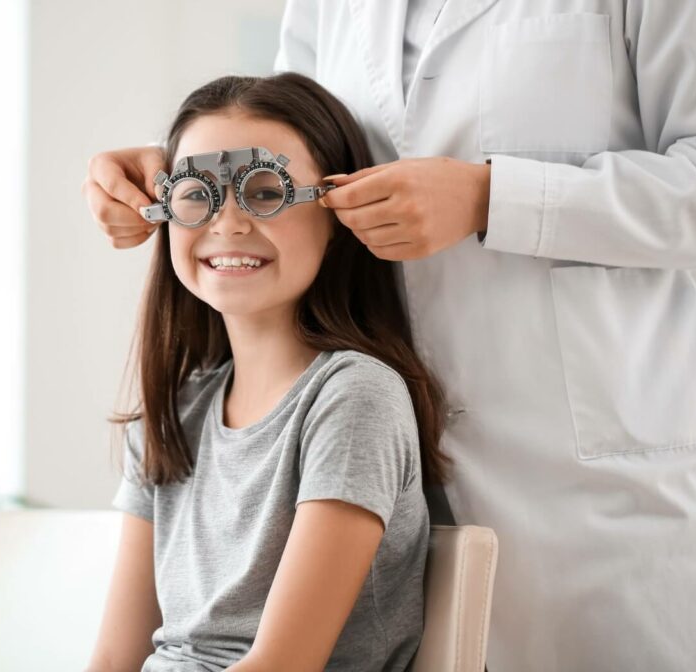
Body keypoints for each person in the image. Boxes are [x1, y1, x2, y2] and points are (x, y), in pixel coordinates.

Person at [86, 2, 696, 669]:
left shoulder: (354, 404)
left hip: (595, 500)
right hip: (393, 464)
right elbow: (298, 144)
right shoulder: (185, 411)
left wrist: (491, 197)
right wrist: (188, 169)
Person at [87, 72, 452, 672]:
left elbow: (281, 666)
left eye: (264, 191)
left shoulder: (355, 398)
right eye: (197, 194)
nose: (227, 224)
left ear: (336, 215)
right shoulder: (176, 409)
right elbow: (112, 658)